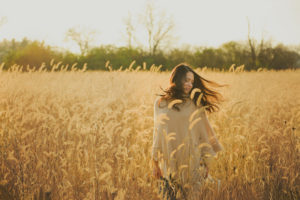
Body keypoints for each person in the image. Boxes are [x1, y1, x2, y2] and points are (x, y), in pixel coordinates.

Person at [151, 63, 226, 199]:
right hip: (170, 162)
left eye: (192, 81)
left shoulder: (194, 104)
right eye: (186, 80)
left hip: (192, 162)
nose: (190, 84)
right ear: (177, 79)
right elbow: (157, 132)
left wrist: (206, 162)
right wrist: (155, 162)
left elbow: (204, 131)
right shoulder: (160, 103)